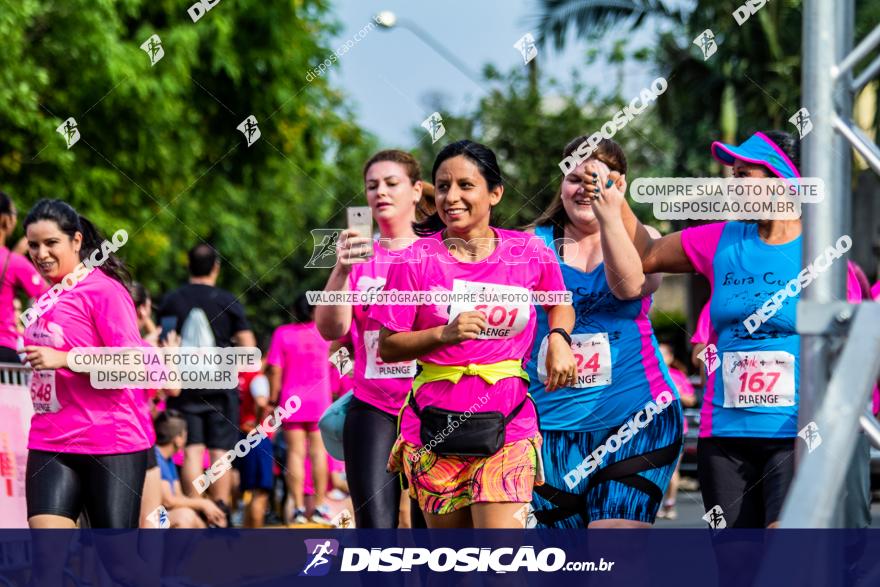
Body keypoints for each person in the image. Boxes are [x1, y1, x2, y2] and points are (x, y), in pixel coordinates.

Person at [591, 129, 869, 528]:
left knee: (785, 551)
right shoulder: (720, 238)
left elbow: (855, 349)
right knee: (736, 564)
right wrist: (618, 202)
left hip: (794, 432)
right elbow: (647, 255)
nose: (731, 185)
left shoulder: (823, 253)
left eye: (743, 175)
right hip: (724, 435)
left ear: (782, 179)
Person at [371, 140, 576, 529]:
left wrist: (559, 339)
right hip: (434, 430)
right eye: (443, 186)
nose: (452, 197)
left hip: (508, 425)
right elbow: (389, 345)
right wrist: (443, 334)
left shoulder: (528, 251)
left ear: (494, 193)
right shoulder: (414, 260)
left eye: (466, 185)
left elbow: (559, 302)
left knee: (502, 566)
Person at [523, 137, 682, 529]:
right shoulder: (529, 244)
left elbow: (628, 286)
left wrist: (612, 215)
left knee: (615, 555)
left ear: (620, 184)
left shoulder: (642, 236)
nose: (583, 190)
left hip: (637, 416)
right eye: (574, 179)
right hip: (553, 428)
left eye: (595, 180)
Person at [314, 149, 427, 529]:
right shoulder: (360, 257)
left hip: (433, 405)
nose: (380, 192)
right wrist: (342, 269)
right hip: (373, 405)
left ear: (416, 190)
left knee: (435, 531)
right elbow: (332, 331)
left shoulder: (438, 253)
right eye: (372, 186)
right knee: (375, 532)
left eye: (392, 183)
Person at [22, 199, 149, 528]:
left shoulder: (104, 291)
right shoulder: (42, 300)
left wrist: (66, 359)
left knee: (118, 566)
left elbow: (134, 364)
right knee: (47, 560)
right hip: (50, 440)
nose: (41, 254)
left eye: (51, 243)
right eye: (33, 245)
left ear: (76, 241)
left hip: (109, 441)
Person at [158, 243, 256, 509]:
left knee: (192, 449)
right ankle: (221, 508)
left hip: (183, 385)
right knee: (220, 452)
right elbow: (249, 348)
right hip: (221, 388)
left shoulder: (172, 300)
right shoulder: (227, 300)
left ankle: (196, 509)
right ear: (216, 267)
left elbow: (163, 341)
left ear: (188, 266)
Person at [267, 293, 334, 524]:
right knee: (318, 453)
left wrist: (273, 398)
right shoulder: (325, 334)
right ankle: (320, 505)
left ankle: (296, 507)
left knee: (295, 453)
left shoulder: (282, 334)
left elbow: (274, 368)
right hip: (320, 401)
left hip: (291, 400)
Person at [153, 410, 228, 528]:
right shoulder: (156, 457)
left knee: (196, 519)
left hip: (159, 515)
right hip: (150, 518)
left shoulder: (168, 459)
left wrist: (207, 512)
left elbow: (177, 496)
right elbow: (168, 501)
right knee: (185, 516)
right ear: (178, 439)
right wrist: (203, 503)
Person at [0, 191, 47, 362]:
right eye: (14, 214)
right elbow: (50, 295)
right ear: (5, 219)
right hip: (3, 349)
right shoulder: (13, 262)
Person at [657, 342, 697, 520]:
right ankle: (654, 506)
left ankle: (670, 505)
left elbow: (691, 400)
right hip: (652, 430)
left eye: (663, 353)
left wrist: (677, 391)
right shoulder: (648, 376)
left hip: (676, 429)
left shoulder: (677, 376)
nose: (659, 356)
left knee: (672, 470)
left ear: (670, 357)